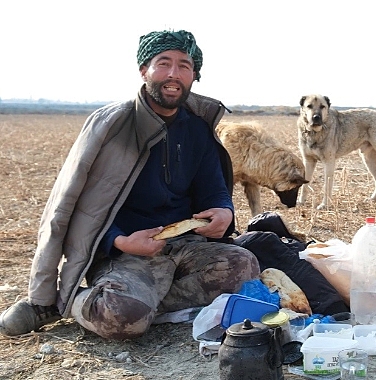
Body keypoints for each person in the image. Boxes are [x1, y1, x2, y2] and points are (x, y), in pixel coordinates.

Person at [0, 30, 260, 340]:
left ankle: (144, 302)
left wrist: (224, 211)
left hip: (184, 245)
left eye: (184, 66)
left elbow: (213, 188)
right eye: (164, 63)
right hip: (124, 252)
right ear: (144, 70)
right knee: (121, 318)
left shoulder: (197, 128)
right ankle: (64, 304)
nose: (173, 75)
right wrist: (120, 241)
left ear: (194, 75)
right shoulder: (111, 126)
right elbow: (74, 206)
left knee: (244, 268)